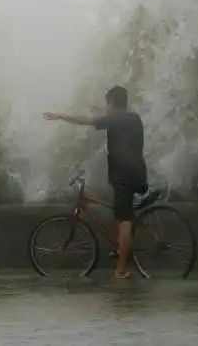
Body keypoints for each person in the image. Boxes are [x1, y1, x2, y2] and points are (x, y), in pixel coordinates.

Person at [42, 85, 148, 280]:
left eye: (108, 104)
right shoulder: (133, 118)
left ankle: (121, 270)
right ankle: (120, 251)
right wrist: (101, 113)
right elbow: (111, 119)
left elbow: (85, 121)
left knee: (124, 220)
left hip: (124, 176)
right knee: (121, 214)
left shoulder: (114, 119)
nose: (106, 108)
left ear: (113, 103)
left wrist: (61, 116)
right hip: (138, 173)